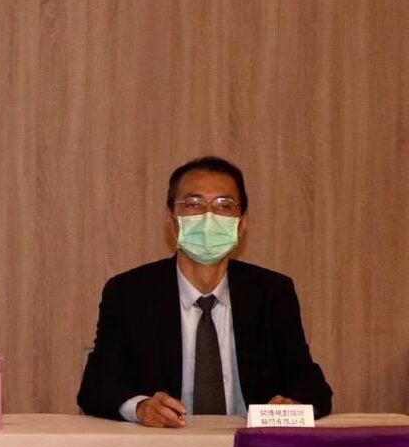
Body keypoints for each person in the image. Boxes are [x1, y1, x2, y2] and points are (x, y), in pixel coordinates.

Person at [77, 156, 332, 427]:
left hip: (247, 443)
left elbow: (313, 386)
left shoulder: (271, 292)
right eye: (193, 204)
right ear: (172, 222)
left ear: (242, 224)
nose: (209, 217)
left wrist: (293, 404)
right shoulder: (130, 293)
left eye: (224, 205)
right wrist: (140, 407)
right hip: (162, 444)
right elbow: (96, 387)